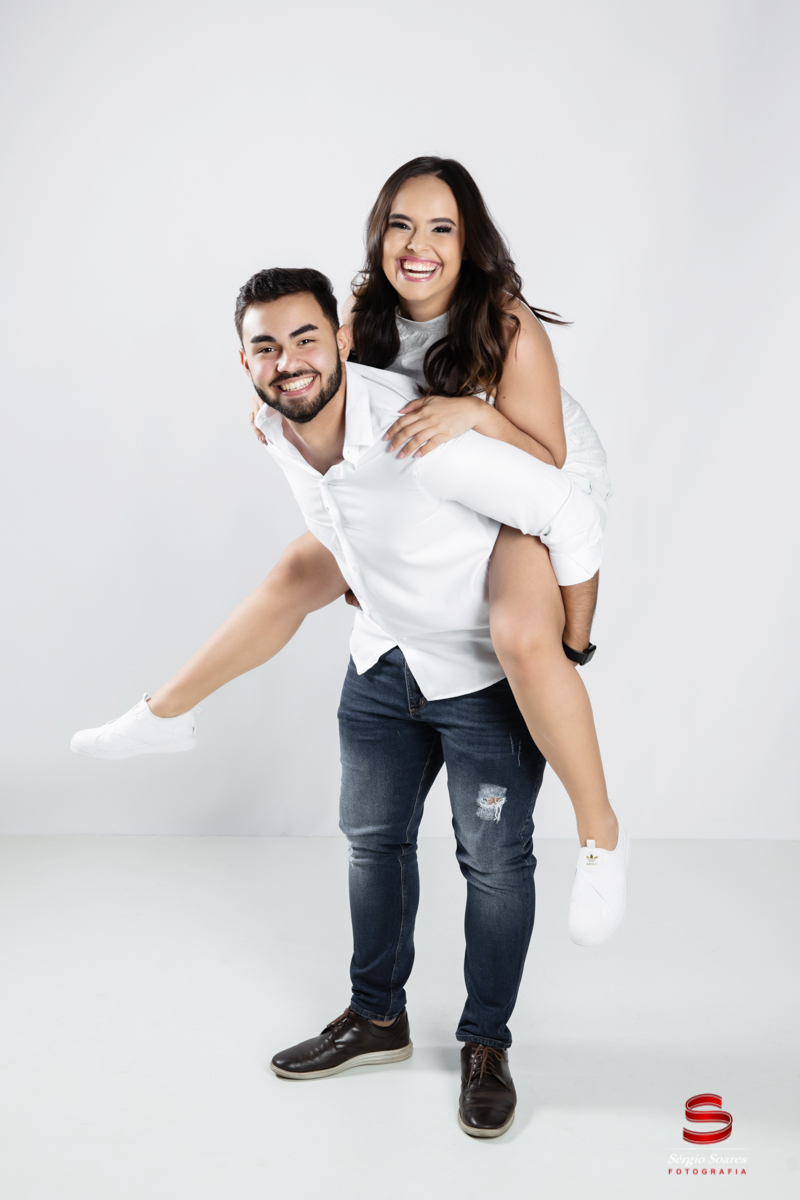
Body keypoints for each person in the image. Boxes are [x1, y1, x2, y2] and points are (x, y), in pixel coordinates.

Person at [77, 267, 607, 1135]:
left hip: (482, 679)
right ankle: (377, 1017)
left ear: (342, 340)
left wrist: (569, 646)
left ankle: (486, 1044)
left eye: (305, 339)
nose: (288, 361)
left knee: (495, 865)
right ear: (243, 361)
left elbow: (568, 511)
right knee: (372, 844)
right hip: (382, 668)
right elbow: (330, 524)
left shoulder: (420, 435)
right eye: (266, 347)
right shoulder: (275, 425)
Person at [73, 158, 628, 951]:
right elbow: (335, 393)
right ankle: (164, 713)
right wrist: (283, 414)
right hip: (423, 468)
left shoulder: (505, 324)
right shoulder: (364, 307)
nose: (418, 245)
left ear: (468, 242)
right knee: (292, 573)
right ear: (379, 234)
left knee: (517, 633)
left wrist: (472, 416)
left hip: (528, 470)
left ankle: (601, 834)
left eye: (442, 228)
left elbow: (545, 465)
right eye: (401, 225)